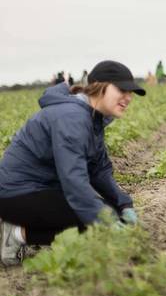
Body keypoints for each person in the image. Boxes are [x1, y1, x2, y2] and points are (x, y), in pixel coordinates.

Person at [0, 61, 144, 266]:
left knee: (108, 211)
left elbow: (99, 170)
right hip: (14, 194)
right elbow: (74, 182)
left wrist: (124, 204)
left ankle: (27, 229)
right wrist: (106, 222)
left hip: (40, 190)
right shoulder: (72, 117)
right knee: (91, 221)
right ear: (99, 86)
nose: (128, 97)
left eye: (131, 92)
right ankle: (18, 233)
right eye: (122, 89)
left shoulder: (92, 117)